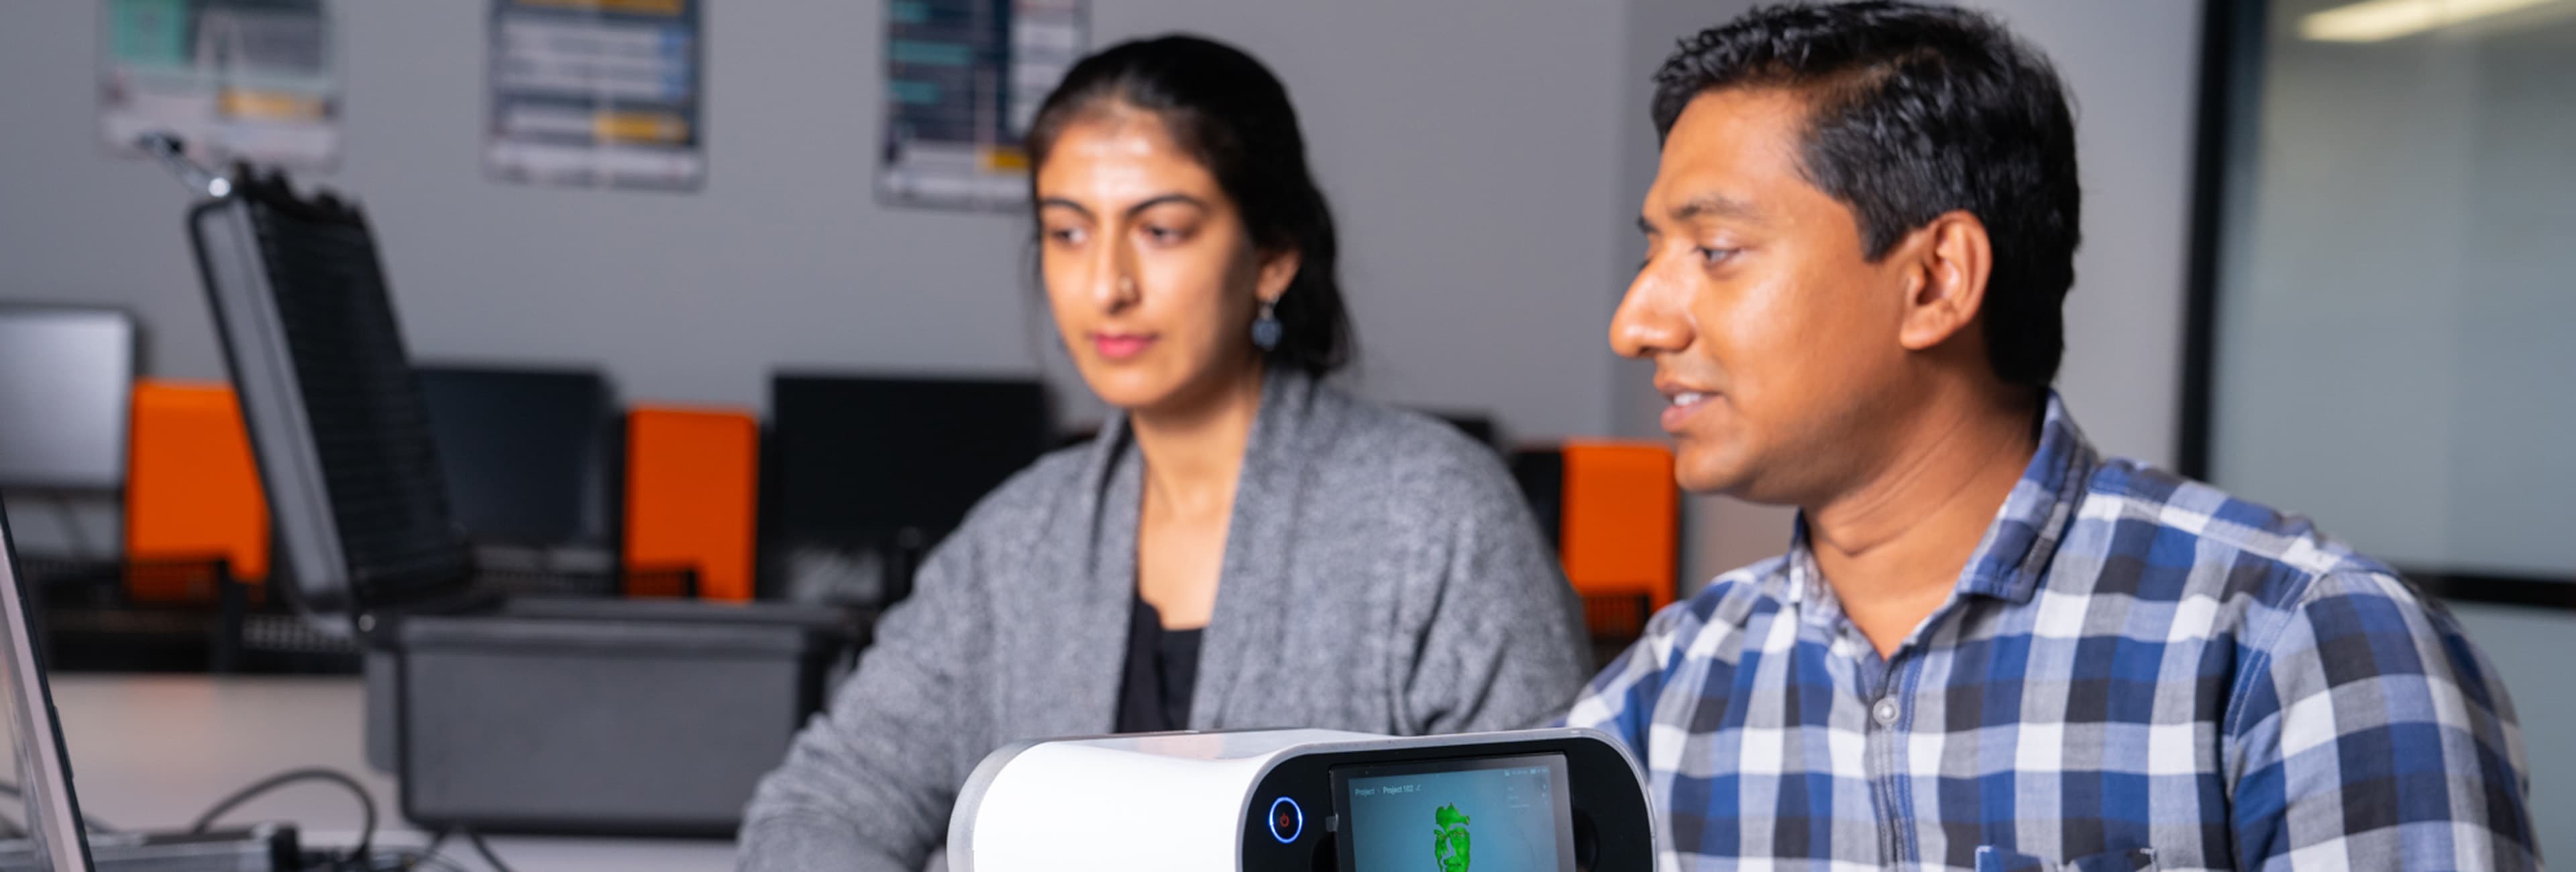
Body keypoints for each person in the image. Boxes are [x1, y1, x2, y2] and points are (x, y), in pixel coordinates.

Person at [1566, 3, 2537, 870]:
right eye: (1652, 254)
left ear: (1937, 280)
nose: (1636, 322)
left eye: (1716, 252)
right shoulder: (1667, 694)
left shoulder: (2299, 646)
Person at [739, 34, 1591, 871]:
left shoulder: (1434, 516)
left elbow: (1551, 836)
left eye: (1162, 230)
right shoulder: (1018, 539)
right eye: (1068, 233)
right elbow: (818, 807)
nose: (1107, 284)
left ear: (1273, 258)